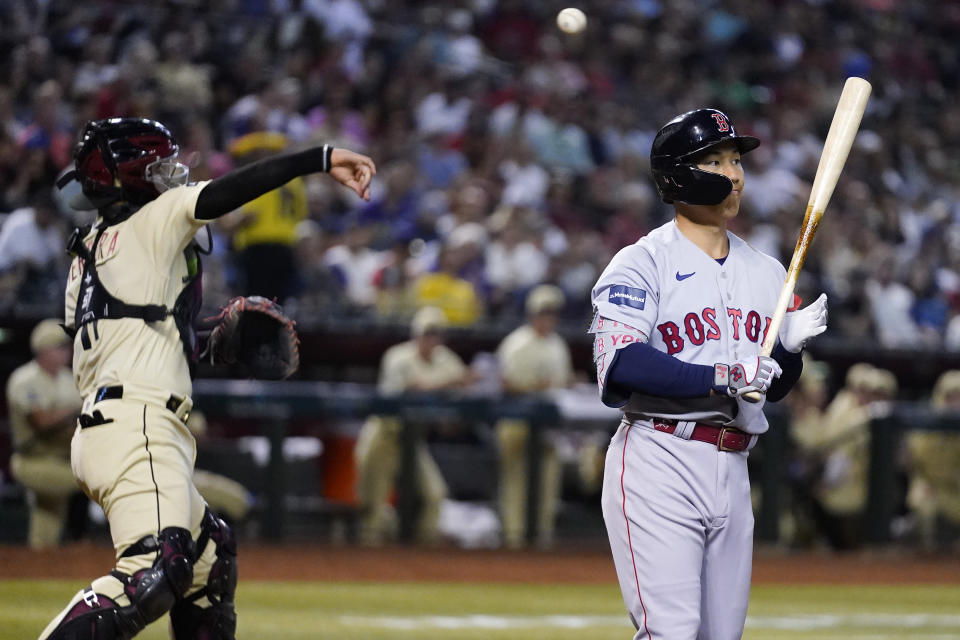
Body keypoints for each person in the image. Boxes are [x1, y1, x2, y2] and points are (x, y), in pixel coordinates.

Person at [39, 117, 374, 640]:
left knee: (207, 560)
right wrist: (321, 157)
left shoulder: (90, 251)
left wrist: (209, 339)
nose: (171, 174)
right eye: (157, 165)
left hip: (113, 425)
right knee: (153, 572)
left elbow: (143, 335)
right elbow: (227, 192)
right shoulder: (154, 218)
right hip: (138, 424)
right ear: (128, 176)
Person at [590, 109, 828, 639]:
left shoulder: (766, 271)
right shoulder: (640, 262)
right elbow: (622, 363)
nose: (734, 173)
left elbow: (775, 386)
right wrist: (722, 373)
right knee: (670, 632)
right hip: (660, 458)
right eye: (715, 160)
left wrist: (786, 348)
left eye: (737, 159)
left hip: (734, 463)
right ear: (677, 176)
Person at [353, 306, 472, 545]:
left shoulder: (446, 359)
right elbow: (411, 389)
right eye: (427, 333)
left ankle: (422, 558)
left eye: (436, 334)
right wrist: (448, 383)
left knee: (434, 496)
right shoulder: (397, 356)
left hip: (413, 441)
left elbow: (465, 383)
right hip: (384, 437)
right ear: (415, 335)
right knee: (372, 507)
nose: (431, 339)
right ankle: (367, 566)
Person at [494, 284, 573, 548]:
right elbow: (504, 384)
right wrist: (534, 387)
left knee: (548, 479)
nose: (547, 318)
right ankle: (514, 537)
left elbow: (561, 381)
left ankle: (542, 534)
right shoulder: (517, 343)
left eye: (552, 313)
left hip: (548, 424)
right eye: (543, 313)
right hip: (516, 423)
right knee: (516, 480)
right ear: (531, 314)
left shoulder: (557, 343)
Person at [6, 318, 84, 549]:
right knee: (90, 479)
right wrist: (74, 410)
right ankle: (82, 538)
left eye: (67, 346)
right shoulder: (24, 379)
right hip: (32, 460)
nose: (67, 351)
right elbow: (41, 422)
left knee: (47, 518)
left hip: (59, 458)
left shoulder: (68, 379)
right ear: (44, 350)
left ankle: (39, 561)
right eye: (60, 347)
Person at [905, 370, 960, 550]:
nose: (955, 403)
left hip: (955, 489)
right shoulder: (926, 425)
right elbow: (914, 465)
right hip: (931, 487)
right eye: (950, 397)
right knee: (924, 504)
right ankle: (928, 558)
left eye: (959, 397)